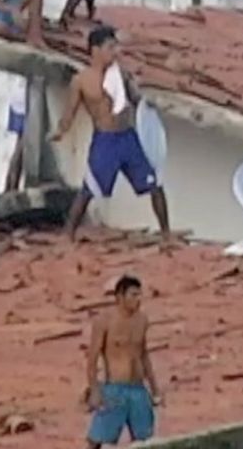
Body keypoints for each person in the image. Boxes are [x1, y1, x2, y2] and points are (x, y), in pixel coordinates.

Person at [51, 26, 171, 245]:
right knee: (89, 189)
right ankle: (68, 234)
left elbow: (137, 100)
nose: (114, 52)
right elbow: (70, 113)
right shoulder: (81, 81)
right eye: (110, 47)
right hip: (105, 141)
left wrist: (147, 103)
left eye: (115, 46)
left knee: (155, 183)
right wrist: (60, 132)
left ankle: (166, 234)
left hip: (128, 137)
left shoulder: (121, 75)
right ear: (95, 50)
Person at [85, 275, 162, 448]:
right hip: (115, 388)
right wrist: (95, 390)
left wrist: (155, 388)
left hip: (138, 388)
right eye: (133, 295)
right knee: (100, 439)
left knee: (145, 439)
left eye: (139, 295)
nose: (138, 299)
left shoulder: (142, 320)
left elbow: (143, 354)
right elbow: (92, 359)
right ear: (120, 296)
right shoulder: (104, 321)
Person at [4, 81, 26, 192]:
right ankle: (12, 186)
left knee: (20, 145)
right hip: (25, 102)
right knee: (21, 148)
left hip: (19, 99)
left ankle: (11, 185)